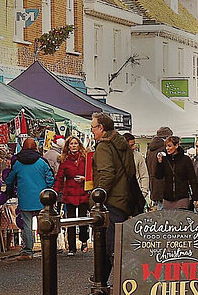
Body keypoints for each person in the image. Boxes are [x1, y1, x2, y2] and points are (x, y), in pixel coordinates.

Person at [90, 112, 136, 283]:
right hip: (124, 199)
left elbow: (106, 174)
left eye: (93, 128)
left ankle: (104, 283)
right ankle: (106, 280)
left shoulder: (104, 146)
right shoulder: (122, 143)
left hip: (110, 201)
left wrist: (96, 198)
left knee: (107, 246)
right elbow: (131, 171)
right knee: (117, 244)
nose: (92, 131)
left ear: (101, 128)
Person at [6, 138, 54, 261]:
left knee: (27, 225)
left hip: (25, 198)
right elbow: (50, 179)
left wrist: (10, 191)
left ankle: (28, 251)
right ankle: (46, 248)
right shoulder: (42, 162)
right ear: (35, 147)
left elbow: (10, 179)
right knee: (43, 224)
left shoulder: (17, 162)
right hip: (41, 198)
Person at [53, 136, 89, 256]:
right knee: (71, 222)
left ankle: (84, 240)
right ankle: (72, 248)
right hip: (69, 194)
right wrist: (55, 192)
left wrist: (84, 179)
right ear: (68, 146)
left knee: (83, 220)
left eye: (75, 143)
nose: (73, 146)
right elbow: (59, 178)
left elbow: (90, 174)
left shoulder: (85, 159)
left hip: (83, 193)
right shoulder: (65, 160)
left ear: (79, 145)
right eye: (71, 144)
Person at [155, 136, 198, 210]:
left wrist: (195, 197)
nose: (167, 148)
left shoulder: (185, 159)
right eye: (166, 146)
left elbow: (192, 179)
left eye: (169, 146)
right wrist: (159, 163)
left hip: (182, 197)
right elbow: (158, 176)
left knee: (182, 218)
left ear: (176, 146)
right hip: (167, 197)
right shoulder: (164, 159)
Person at [145, 126, 172, 211]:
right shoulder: (165, 149)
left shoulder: (149, 151)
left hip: (154, 185)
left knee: (160, 211)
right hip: (164, 185)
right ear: (167, 137)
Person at [123, 133, 150, 200]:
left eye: (134, 144)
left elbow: (144, 175)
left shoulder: (138, 156)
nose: (134, 147)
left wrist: (143, 193)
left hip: (136, 194)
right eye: (131, 145)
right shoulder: (117, 156)